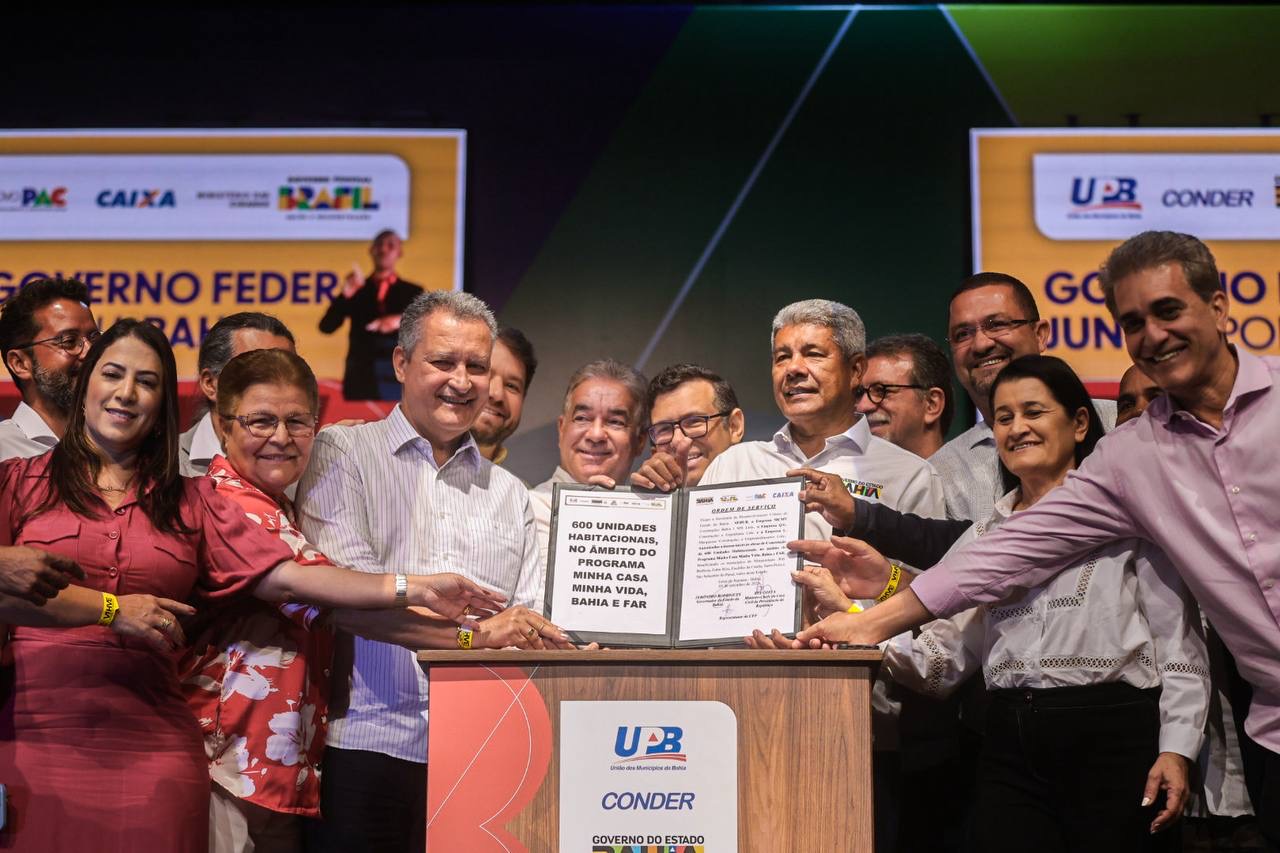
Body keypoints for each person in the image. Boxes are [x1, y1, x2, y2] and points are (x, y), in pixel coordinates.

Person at [781, 231, 1280, 852]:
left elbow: (1178, 642)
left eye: (1168, 310)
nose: (1152, 335)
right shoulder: (1130, 457)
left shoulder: (1163, 432)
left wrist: (1176, 746)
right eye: (1132, 322)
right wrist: (870, 618)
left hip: (1133, 737)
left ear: (1219, 306)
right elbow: (996, 557)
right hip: (1259, 733)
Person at [0, 319, 501, 853]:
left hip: (172, 746)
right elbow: (324, 600)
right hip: (82, 737)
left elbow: (292, 580)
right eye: (112, 374)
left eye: (146, 381)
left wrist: (420, 593)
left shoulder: (191, 501)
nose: (127, 393)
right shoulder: (20, 482)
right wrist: (469, 631)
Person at [761, 354, 1210, 852]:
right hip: (1009, 745)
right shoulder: (982, 537)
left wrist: (1177, 749)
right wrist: (845, 612)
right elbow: (938, 665)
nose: (1017, 428)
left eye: (1034, 412)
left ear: (1080, 423)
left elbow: (1180, 647)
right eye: (1003, 418)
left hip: (1115, 739)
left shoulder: (1127, 519)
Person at [180, 347, 506, 853]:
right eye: (261, 421)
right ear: (223, 427)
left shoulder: (280, 503)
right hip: (223, 763)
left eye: (298, 422)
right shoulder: (222, 500)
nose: (281, 437)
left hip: (273, 768)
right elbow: (319, 592)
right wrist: (446, 612)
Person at [298, 291, 572, 852]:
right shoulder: (345, 452)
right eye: (443, 362)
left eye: (477, 366)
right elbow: (348, 602)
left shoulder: (511, 495)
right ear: (402, 363)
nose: (462, 382)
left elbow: (525, 626)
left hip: (482, 760)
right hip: (367, 749)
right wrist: (476, 636)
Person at [929, 272, 1116, 521]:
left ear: (1040, 334)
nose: (981, 344)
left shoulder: (1119, 423)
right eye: (962, 334)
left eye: (996, 324)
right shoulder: (940, 473)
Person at [528, 359, 647, 567]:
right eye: (582, 418)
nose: (596, 435)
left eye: (615, 422)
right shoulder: (525, 509)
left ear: (640, 441)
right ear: (561, 429)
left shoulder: (653, 520)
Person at [180, 312, 296, 477]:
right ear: (210, 384)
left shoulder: (314, 463)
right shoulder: (164, 465)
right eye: (257, 373)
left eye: (289, 374)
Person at [0, 276, 100, 459]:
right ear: (20, 363)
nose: (90, 352)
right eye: (69, 341)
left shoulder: (116, 448)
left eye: (94, 338)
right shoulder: (4, 451)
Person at [318, 230, 423, 401]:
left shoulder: (412, 291)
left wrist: (399, 320)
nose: (384, 250)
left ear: (399, 252)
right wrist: (346, 294)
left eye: (390, 245)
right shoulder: (356, 289)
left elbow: (426, 327)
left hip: (398, 378)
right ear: (371, 250)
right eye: (379, 245)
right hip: (360, 378)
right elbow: (326, 326)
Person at [626, 363, 745, 490]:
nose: (678, 441)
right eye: (664, 429)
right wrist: (648, 499)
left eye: (694, 421)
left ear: (734, 426)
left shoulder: (760, 465)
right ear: (654, 451)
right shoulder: (648, 498)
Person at [855, 333, 952, 460]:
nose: (862, 406)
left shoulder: (970, 471)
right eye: (859, 393)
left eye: (881, 390)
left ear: (931, 404)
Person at [472, 326, 536, 465]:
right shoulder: (421, 470)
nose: (497, 394)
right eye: (486, 374)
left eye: (511, 386)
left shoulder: (517, 481)